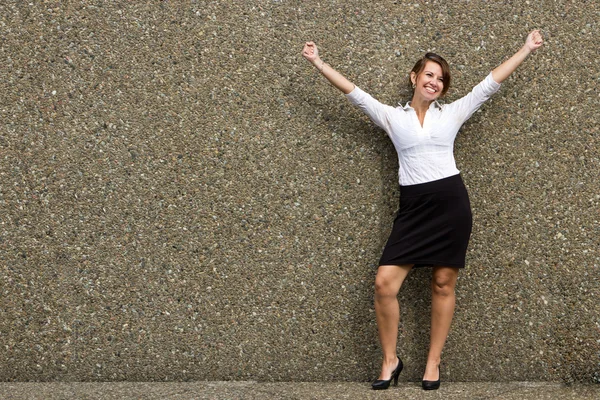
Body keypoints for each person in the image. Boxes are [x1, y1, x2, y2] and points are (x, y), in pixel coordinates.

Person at [302, 30, 543, 390]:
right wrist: (318, 62)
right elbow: (354, 94)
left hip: (451, 205)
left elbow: (490, 83)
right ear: (415, 77)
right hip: (413, 208)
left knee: (443, 283)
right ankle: (390, 361)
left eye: (441, 79)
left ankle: (433, 362)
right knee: (384, 283)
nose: (434, 81)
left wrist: (526, 49)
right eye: (429, 74)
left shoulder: (452, 113)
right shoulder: (391, 117)